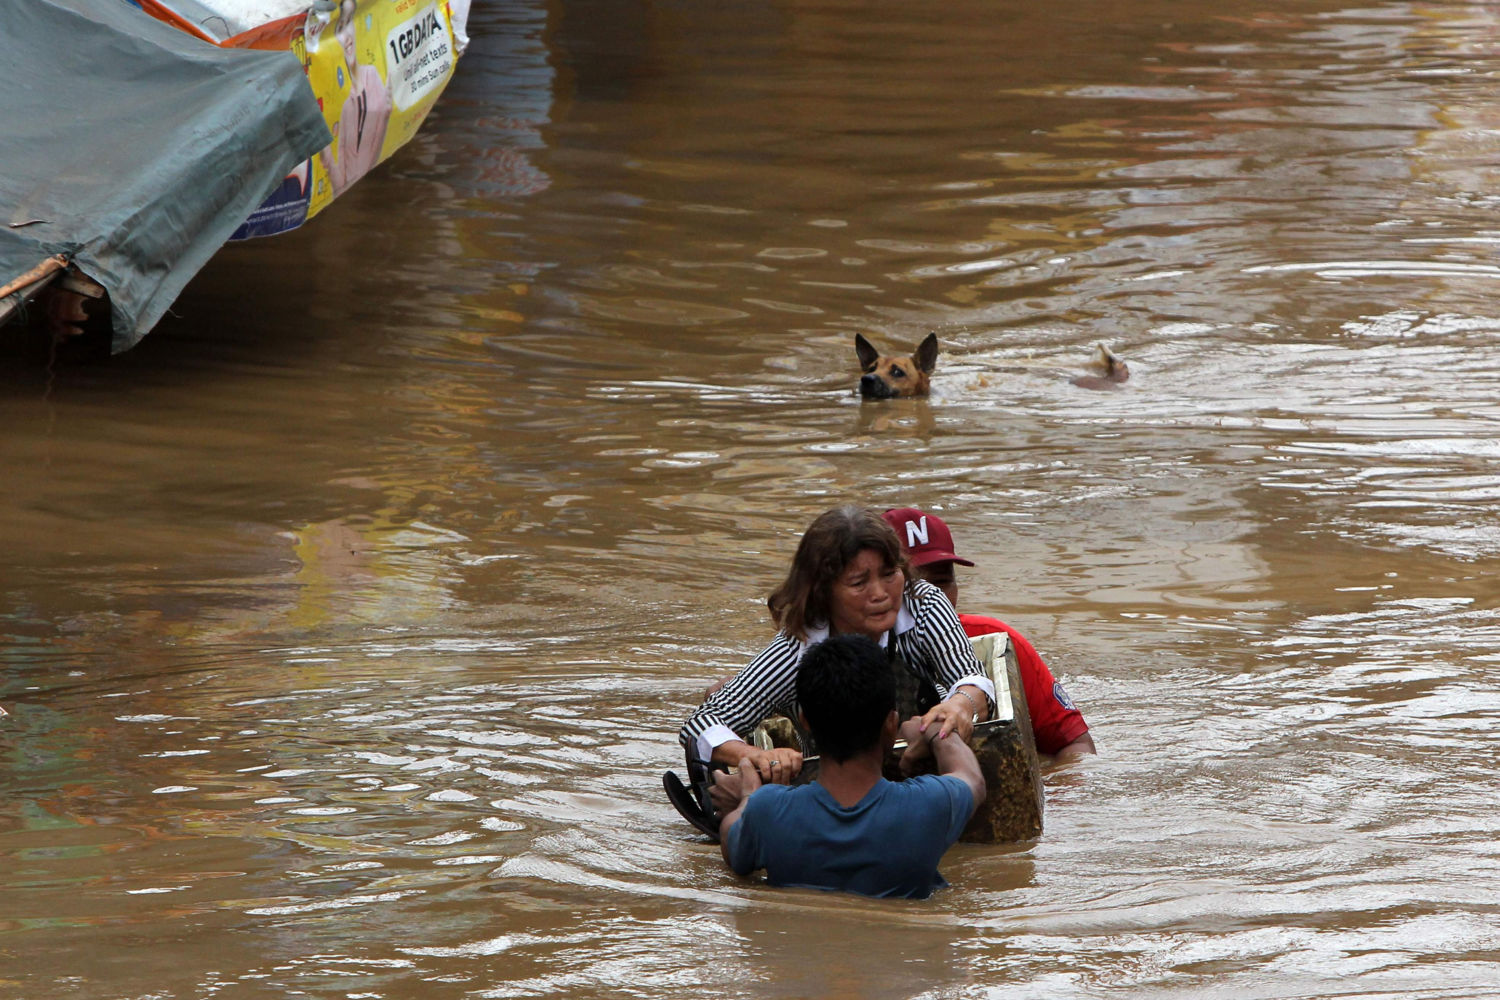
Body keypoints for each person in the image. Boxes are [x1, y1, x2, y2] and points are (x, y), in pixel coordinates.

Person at [680, 505, 997, 789]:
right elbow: (701, 727)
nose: (880, 594)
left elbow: (973, 679)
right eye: (859, 583)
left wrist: (958, 706)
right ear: (823, 593)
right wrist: (758, 756)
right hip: (838, 786)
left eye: (890, 574)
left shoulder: (923, 603)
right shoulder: (797, 648)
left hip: (927, 766)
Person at [719, 633, 984, 898]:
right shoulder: (930, 805)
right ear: (891, 724)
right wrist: (936, 729)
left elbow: (733, 850)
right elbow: (972, 779)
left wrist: (746, 797)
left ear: (805, 721)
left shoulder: (766, 811)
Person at [881, 507, 1096, 758]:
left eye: (942, 583)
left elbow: (1076, 746)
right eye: (911, 586)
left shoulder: (998, 642)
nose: (929, 599)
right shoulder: (839, 646)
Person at [317, 0, 393, 197]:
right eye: (339, 27)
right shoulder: (346, 107)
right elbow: (339, 179)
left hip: (373, 192)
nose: (346, 37)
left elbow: (384, 118)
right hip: (356, 194)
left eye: (349, 22)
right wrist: (326, 157)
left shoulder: (376, 78)